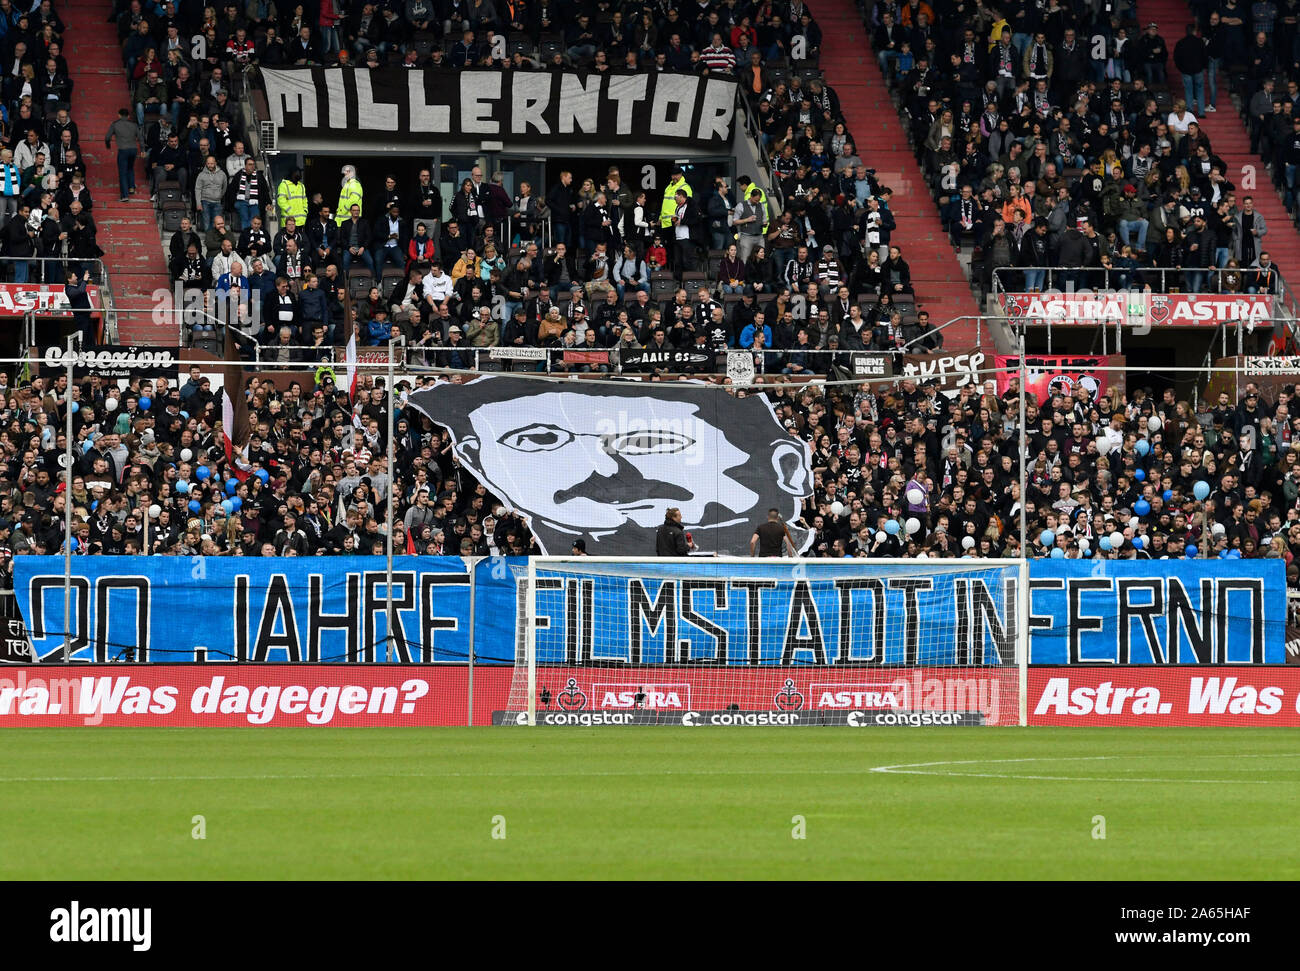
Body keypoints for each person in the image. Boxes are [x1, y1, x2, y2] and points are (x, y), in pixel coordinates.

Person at [104, 108, 139, 202]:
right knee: (130, 168)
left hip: (123, 150)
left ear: (118, 115)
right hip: (133, 149)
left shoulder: (115, 124)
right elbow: (140, 137)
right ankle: (131, 187)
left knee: (122, 173)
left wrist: (108, 145)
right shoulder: (134, 125)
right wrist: (143, 149)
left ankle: (124, 195)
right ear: (128, 116)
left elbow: (107, 137)